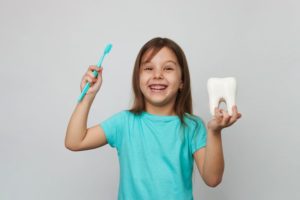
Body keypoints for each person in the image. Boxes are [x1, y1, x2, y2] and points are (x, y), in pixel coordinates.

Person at [65, 37, 242, 200]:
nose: (157, 75)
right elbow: (74, 141)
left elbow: (213, 179)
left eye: (168, 68)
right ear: (138, 79)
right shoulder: (124, 123)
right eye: (149, 68)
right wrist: (87, 96)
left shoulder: (192, 126)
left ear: (182, 81)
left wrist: (215, 132)